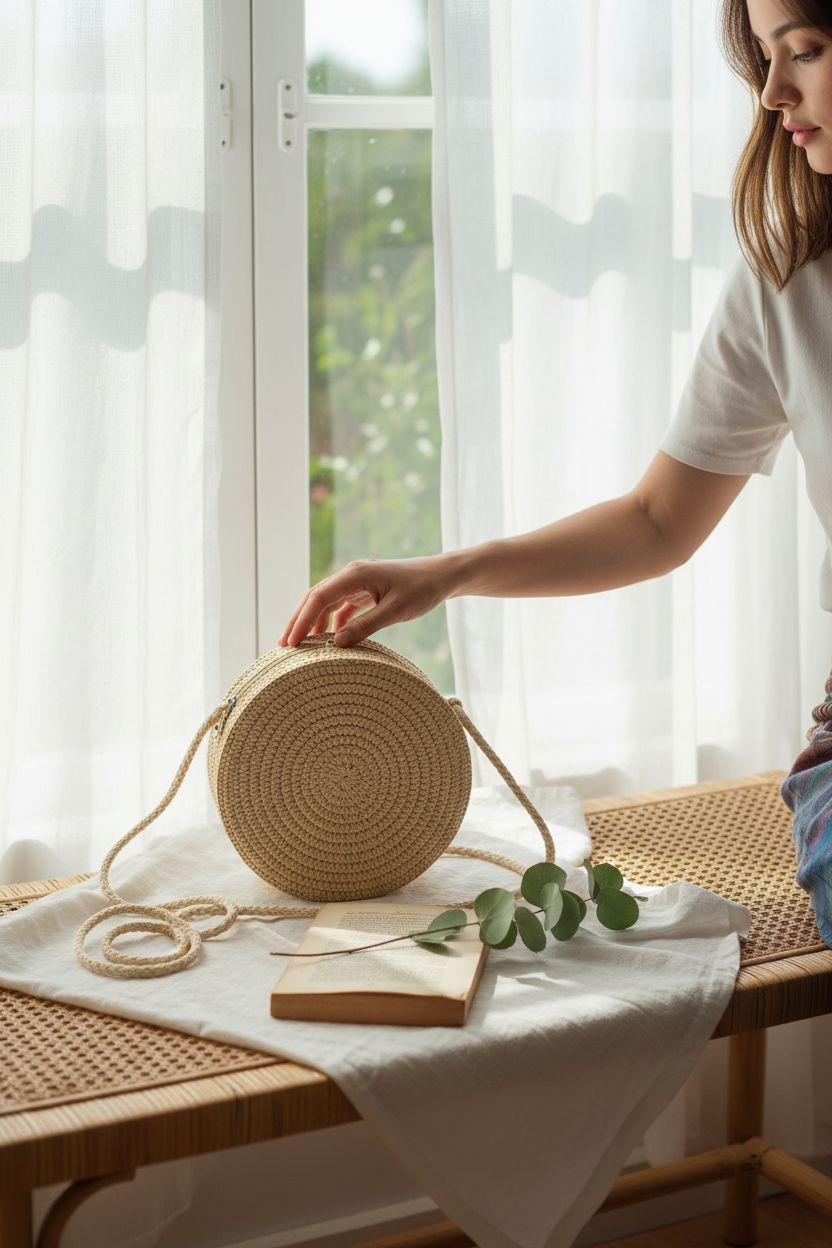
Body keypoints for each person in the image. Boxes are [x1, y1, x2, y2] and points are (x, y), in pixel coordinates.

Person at [281, 0, 832, 945]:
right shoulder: (788, 281)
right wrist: (444, 575)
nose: (774, 92)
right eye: (767, 58)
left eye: (807, 52)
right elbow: (660, 520)